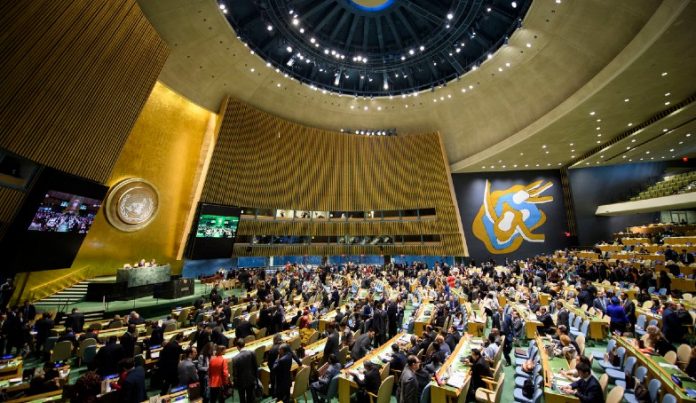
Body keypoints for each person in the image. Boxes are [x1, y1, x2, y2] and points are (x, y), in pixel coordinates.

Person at [231, 339, 259, 403]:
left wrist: (235, 384)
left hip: (241, 382)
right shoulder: (252, 353)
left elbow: (235, 374)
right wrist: (256, 379)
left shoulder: (235, 358)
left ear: (237, 347)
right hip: (251, 379)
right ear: (244, 344)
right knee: (250, 398)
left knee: (242, 399)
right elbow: (255, 367)